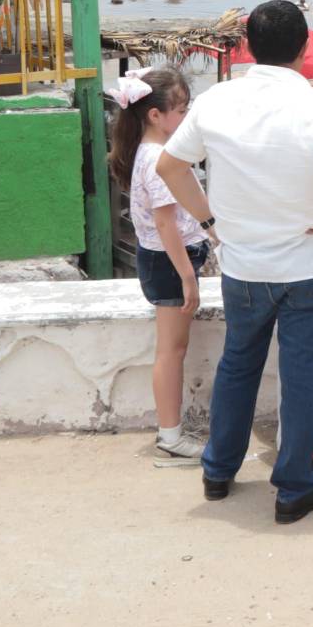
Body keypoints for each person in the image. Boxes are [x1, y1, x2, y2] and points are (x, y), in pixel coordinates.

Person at [157, 1, 313, 525]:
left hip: (244, 265)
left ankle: (218, 471)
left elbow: (170, 166)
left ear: (247, 47)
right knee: (300, 379)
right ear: (304, 49)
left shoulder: (216, 101)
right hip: (306, 266)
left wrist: (210, 224)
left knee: (238, 365)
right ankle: (294, 487)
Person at [109, 67, 208, 466]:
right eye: (181, 109)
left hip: (165, 259)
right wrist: (188, 278)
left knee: (174, 348)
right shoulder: (158, 160)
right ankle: (170, 437)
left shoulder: (150, 153)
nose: (186, 117)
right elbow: (167, 224)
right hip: (170, 263)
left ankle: (172, 431)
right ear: (155, 115)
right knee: (172, 349)